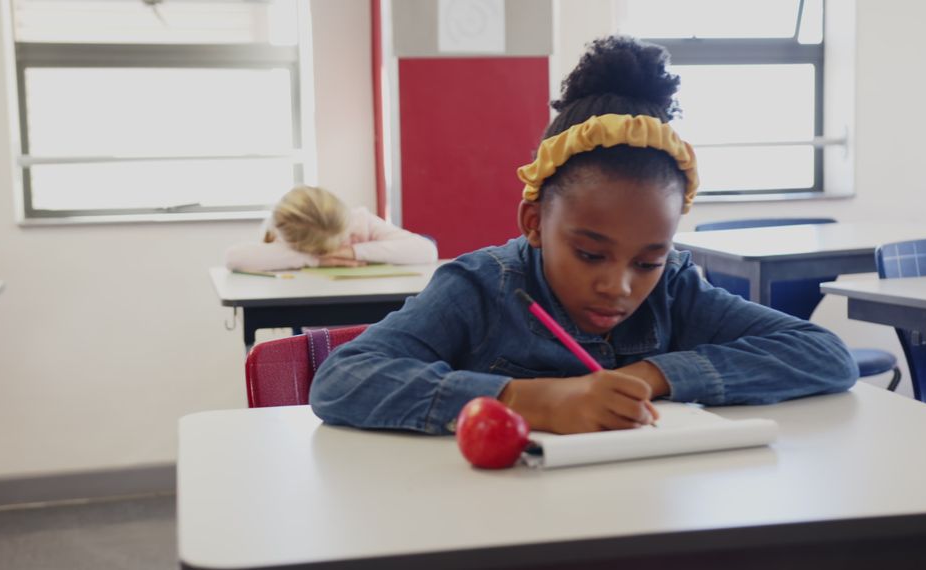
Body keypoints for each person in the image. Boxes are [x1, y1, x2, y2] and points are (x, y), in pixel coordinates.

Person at [309, 36, 857, 435]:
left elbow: (825, 354)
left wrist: (651, 376)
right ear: (534, 223)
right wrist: (528, 400)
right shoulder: (476, 289)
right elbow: (343, 379)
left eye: (648, 261)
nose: (619, 286)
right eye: (591, 253)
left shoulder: (676, 291)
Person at [225, 185, 438, 271]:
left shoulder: (358, 221)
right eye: (323, 249)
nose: (345, 242)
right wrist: (317, 260)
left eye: (344, 239)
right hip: (313, 324)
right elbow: (234, 258)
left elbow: (426, 249)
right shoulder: (285, 233)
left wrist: (352, 251)